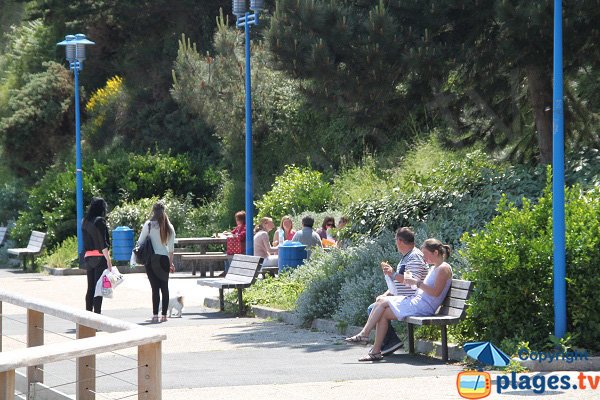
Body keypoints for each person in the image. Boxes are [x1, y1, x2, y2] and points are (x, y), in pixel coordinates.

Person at [346, 238, 453, 362]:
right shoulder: (435, 267)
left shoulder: (443, 268)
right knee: (382, 312)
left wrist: (416, 282)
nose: (424, 258)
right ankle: (375, 351)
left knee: (382, 301)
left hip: (423, 306)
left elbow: (435, 292)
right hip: (417, 301)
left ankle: (364, 334)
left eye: (425, 254)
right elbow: (427, 289)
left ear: (435, 253)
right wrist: (413, 281)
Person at [367, 227, 428, 355]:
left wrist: (393, 274)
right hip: (403, 297)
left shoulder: (414, 256)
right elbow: (402, 282)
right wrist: (387, 293)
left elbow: (412, 282)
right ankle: (388, 342)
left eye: (396, 241)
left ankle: (388, 342)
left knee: (376, 309)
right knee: (374, 307)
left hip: (411, 299)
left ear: (399, 241)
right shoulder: (407, 257)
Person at [137, 202, 176, 323]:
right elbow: (171, 249)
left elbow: (140, 242)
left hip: (151, 259)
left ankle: (155, 315)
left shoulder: (148, 225)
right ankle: (164, 315)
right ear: (164, 211)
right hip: (164, 259)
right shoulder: (169, 226)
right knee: (164, 287)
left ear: (153, 211)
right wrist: (170, 263)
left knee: (155, 288)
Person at [81, 197, 113, 314]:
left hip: (88, 257)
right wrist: (109, 261)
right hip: (100, 257)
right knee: (98, 288)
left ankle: (88, 315)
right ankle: (97, 316)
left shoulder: (85, 221)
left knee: (90, 288)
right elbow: (102, 243)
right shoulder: (100, 221)